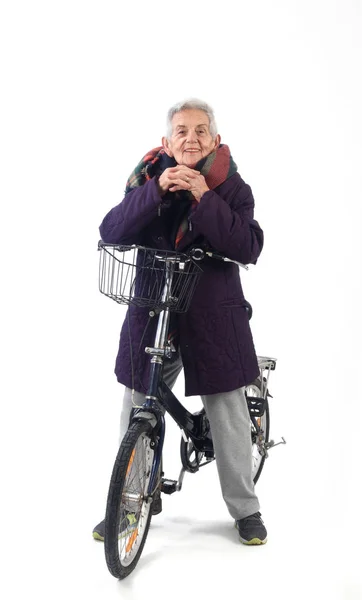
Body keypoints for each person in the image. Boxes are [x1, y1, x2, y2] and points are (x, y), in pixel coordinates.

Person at [93, 98, 267, 545]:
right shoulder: (151, 178)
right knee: (137, 400)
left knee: (227, 412)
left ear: (215, 140)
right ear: (167, 142)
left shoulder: (231, 188)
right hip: (154, 309)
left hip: (212, 314)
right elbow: (111, 231)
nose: (192, 139)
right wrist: (156, 192)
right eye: (183, 131)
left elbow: (247, 246)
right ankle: (131, 500)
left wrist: (203, 197)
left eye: (201, 131)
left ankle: (246, 509)